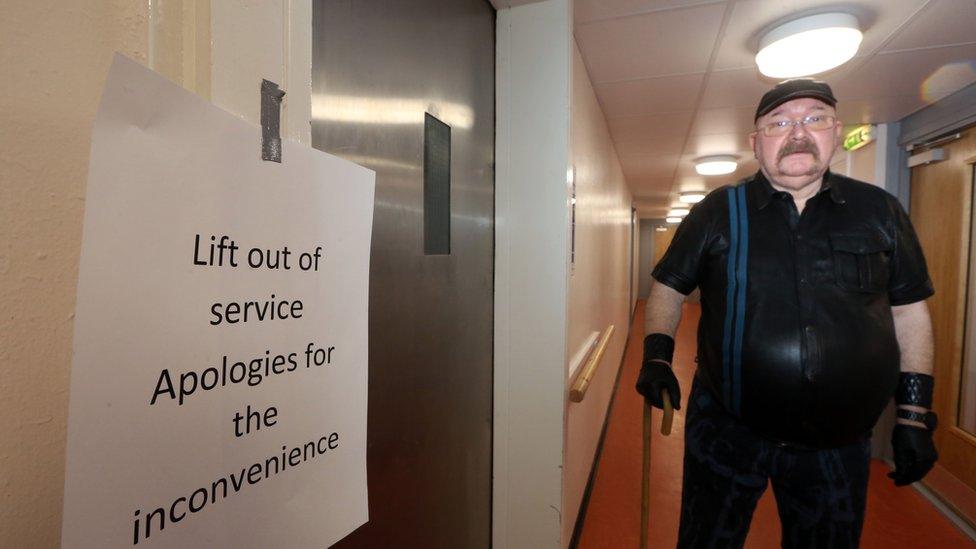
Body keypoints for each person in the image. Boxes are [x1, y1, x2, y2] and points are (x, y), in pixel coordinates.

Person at [635, 78, 939, 548]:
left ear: (836, 132)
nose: (797, 132)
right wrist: (657, 355)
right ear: (757, 143)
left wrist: (915, 415)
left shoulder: (879, 211)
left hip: (837, 445)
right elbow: (668, 289)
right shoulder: (719, 211)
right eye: (779, 123)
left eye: (813, 118)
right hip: (726, 431)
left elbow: (910, 312)